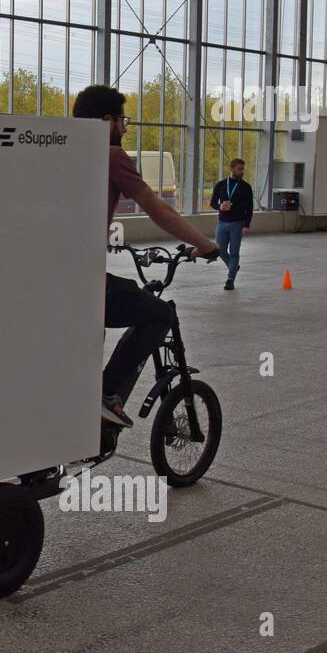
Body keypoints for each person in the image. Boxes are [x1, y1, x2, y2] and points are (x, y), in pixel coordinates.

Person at [72, 85, 219, 428]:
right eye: (123, 120)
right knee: (157, 314)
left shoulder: (63, 151)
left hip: (49, 273)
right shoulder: (110, 154)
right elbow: (158, 210)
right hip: (80, 277)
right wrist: (207, 244)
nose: (124, 129)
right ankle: (107, 394)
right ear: (107, 121)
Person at [210, 158, 253, 291]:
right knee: (219, 250)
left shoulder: (245, 187)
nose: (242, 172)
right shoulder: (221, 185)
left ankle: (230, 279)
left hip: (237, 223)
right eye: (239, 169)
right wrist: (220, 206)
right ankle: (233, 266)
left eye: (243, 169)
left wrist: (247, 225)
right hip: (222, 222)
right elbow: (213, 203)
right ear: (232, 169)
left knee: (234, 251)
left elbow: (249, 208)